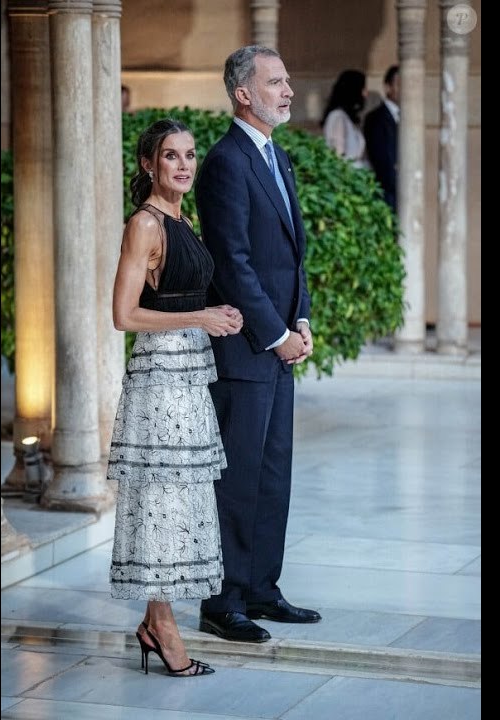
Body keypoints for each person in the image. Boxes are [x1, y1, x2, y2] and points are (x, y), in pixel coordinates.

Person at [194, 45, 322, 644]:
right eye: (276, 81)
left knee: (274, 475)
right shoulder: (225, 162)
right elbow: (235, 264)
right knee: (239, 477)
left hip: (278, 343)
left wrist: (302, 322)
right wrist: (275, 334)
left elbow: (291, 258)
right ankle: (223, 600)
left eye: (288, 79)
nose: (289, 89)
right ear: (244, 93)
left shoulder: (277, 157)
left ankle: (263, 590)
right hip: (246, 350)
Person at [107, 118, 244, 676]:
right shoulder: (143, 224)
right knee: (161, 503)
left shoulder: (182, 218)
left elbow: (184, 290)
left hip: (189, 371)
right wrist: (200, 316)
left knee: (177, 504)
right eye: (171, 156)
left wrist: (218, 314)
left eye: (189, 155)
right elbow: (124, 315)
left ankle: (153, 621)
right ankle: (161, 626)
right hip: (160, 377)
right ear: (149, 165)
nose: (184, 165)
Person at [363, 65, 400, 211]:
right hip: (386, 193)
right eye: (399, 84)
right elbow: (381, 159)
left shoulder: (407, 118)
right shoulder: (375, 118)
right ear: (388, 87)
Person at [320, 70, 368, 169]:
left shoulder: (346, 118)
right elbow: (338, 157)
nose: (366, 93)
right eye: (363, 88)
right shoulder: (338, 117)